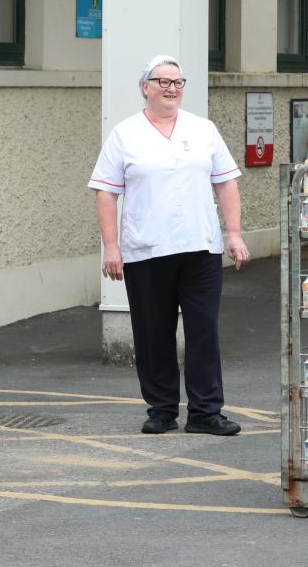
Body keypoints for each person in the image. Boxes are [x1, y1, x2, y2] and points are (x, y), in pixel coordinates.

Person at [89, 55, 250, 436]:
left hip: (201, 247)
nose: (171, 89)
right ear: (144, 87)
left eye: (177, 82)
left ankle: (205, 412)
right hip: (146, 249)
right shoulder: (125, 134)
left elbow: (226, 182)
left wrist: (234, 233)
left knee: (203, 332)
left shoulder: (203, 129)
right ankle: (161, 410)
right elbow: (105, 193)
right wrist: (111, 247)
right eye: (162, 81)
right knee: (152, 332)